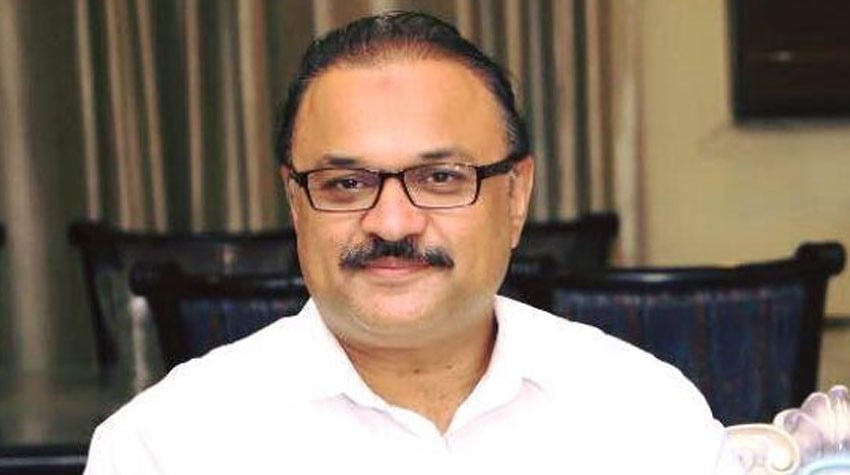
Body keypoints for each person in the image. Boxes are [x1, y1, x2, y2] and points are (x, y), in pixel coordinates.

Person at [85, 11, 742, 474]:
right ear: (296, 203)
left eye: (441, 178)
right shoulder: (168, 446)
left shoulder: (644, 414)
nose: (393, 223)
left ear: (516, 197)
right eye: (347, 183)